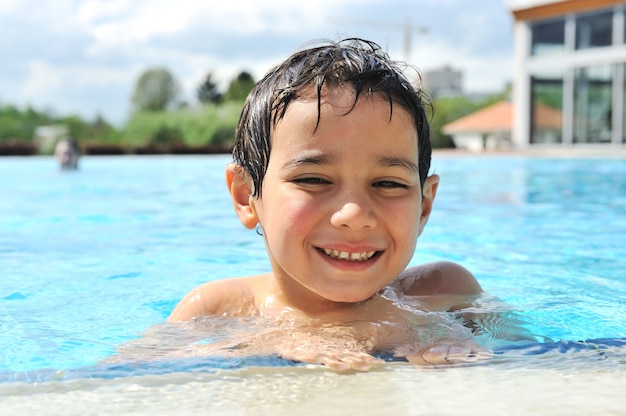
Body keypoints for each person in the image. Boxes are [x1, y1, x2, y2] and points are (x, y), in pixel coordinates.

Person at [167, 38, 487, 371]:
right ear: (246, 195)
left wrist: (464, 346)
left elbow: (533, 358)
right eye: (314, 180)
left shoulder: (444, 294)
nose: (354, 215)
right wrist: (265, 343)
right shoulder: (218, 311)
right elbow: (130, 380)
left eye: (388, 183)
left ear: (423, 207)